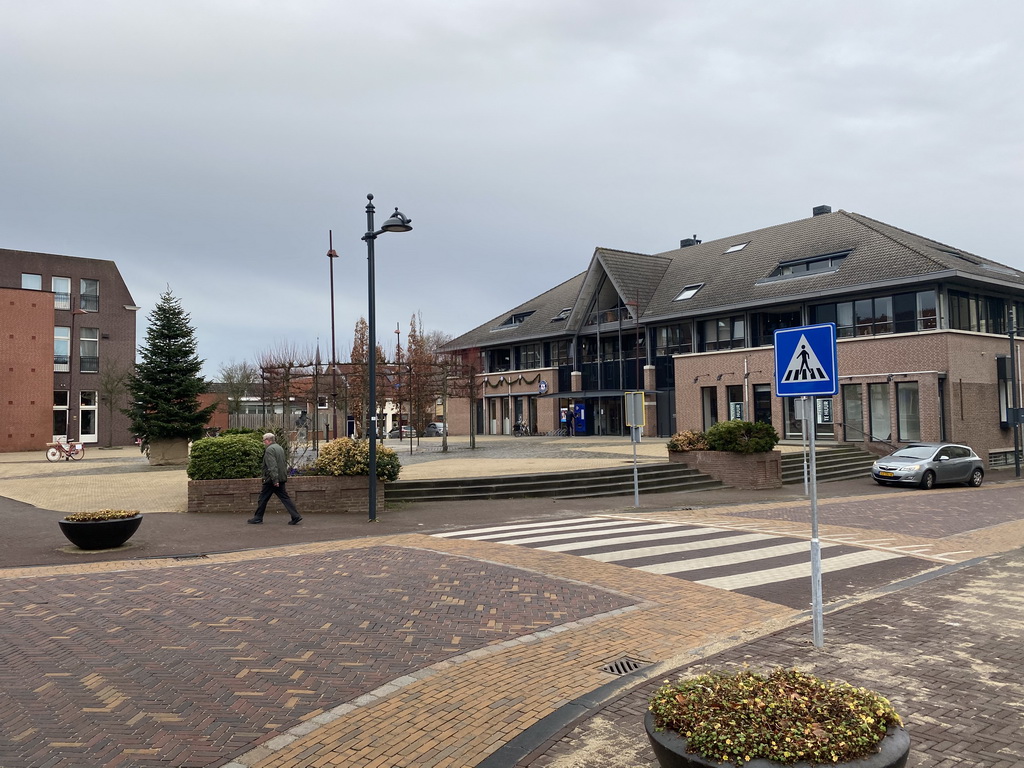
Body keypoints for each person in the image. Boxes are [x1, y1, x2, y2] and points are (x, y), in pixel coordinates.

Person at [248, 433, 302, 525]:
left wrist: (275, 479)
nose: (263, 442)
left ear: (268, 440)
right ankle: (296, 516)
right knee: (285, 498)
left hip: (271, 479)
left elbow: (272, 465)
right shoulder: (279, 448)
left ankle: (258, 517)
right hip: (281, 477)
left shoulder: (269, 450)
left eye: (264, 440)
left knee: (263, 498)